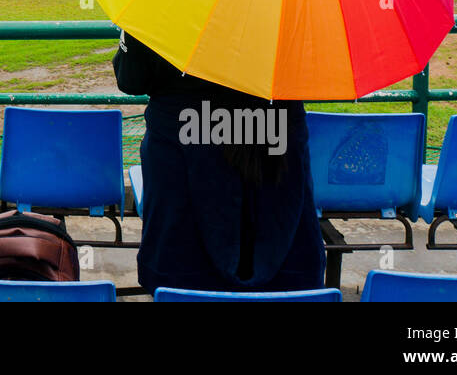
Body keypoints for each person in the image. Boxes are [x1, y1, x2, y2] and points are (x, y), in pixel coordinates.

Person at [114, 30, 325, 294]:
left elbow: (131, 79)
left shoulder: (165, 1)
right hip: (276, 148)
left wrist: (128, 30)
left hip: (184, 163)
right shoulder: (295, 1)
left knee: (180, 282)